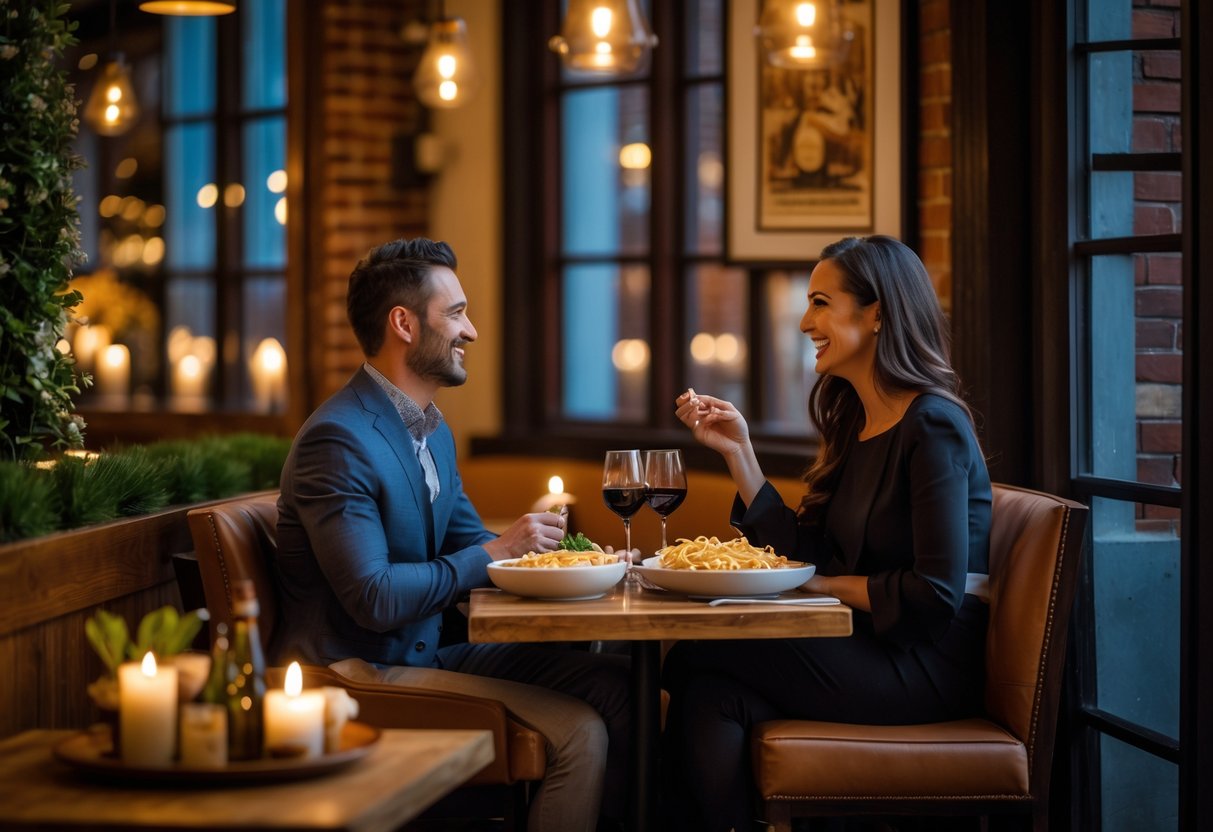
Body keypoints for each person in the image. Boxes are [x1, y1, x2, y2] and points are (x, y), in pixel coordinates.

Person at [272, 237, 630, 832]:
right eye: (457, 313)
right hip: (355, 673)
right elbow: (375, 596)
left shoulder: (431, 431)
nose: (472, 333)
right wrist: (497, 550)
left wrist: (577, 558)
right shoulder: (336, 441)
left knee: (618, 682)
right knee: (583, 732)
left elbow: (475, 539)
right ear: (404, 324)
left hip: (424, 652)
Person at [663, 235, 992, 832]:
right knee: (709, 691)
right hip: (862, 645)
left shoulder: (934, 425)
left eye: (820, 302)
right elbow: (808, 554)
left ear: (877, 314)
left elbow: (933, 597)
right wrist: (740, 452)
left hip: (924, 666)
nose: (803, 321)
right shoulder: (857, 422)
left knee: (697, 650)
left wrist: (825, 588)